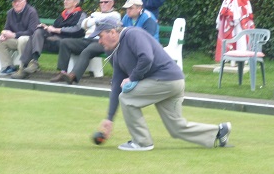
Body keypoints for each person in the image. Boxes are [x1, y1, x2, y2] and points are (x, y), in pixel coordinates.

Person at [90, 17, 231, 151]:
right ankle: (219, 131)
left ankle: (141, 142)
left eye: (100, 36)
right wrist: (109, 119)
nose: (100, 41)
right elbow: (116, 86)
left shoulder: (132, 34)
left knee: (127, 98)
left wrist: (132, 78)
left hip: (166, 80)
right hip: (169, 82)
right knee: (176, 128)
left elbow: (146, 57)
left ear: (113, 32)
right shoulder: (116, 53)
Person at [12, 0, 87, 79]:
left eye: (68, 0)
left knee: (34, 36)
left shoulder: (81, 15)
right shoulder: (63, 15)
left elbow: (77, 30)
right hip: (54, 40)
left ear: (75, 2)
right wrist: (46, 28)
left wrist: (57, 30)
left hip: (66, 42)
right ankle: (32, 63)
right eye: (64, 0)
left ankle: (24, 68)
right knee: (38, 31)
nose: (65, 1)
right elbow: (54, 28)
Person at [50, 0, 121, 85]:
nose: (103, 4)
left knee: (87, 51)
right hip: (86, 39)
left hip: (101, 41)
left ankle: (73, 76)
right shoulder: (96, 13)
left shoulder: (115, 15)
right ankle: (63, 72)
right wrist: (96, 20)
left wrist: (93, 20)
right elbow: (84, 24)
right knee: (65, 42)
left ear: (112, 3)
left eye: (106, 2)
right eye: (101, 2)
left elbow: (100, 21)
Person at [0, 0, 39, 75]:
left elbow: (32, 31)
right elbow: (6, 28)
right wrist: (3, 34)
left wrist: (14, 35)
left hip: (30, 41)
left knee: (22, 39)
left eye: (19, 1)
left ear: (25, 1)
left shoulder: (32, 12)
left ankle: (23, 67)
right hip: (15, 40)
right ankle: (9, 67)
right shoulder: (10, 13)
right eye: (14, 2)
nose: (16, 3)